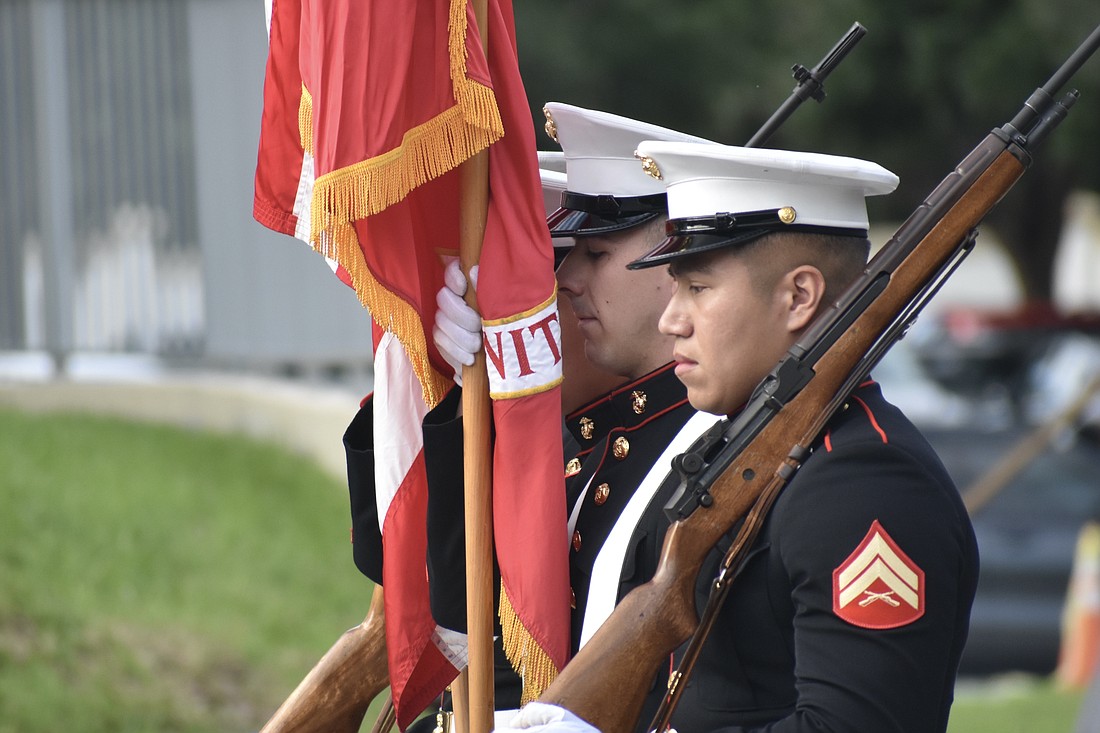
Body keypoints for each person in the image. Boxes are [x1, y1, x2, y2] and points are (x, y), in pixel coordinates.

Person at [499, 142, 981, 732]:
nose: (671, 319)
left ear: (798, 297)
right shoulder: (739, 451)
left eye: (697, 288)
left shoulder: (864, 482)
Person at [417, 104, 721, 731]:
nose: (566, 282)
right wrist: (448, 390)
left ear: (675, 262)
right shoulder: (603, 439)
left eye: (596, 253)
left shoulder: (717, 444)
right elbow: (449, 600)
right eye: (561, 258)